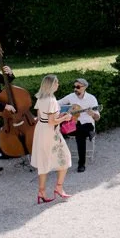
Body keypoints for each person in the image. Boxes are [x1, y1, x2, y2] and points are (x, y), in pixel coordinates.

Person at [32, 74, 73, 204]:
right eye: (56, 83)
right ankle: (59, 188)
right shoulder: (51, 100)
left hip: (40, 131)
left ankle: (41, 192)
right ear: (51, 85)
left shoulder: (41, 98)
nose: (58, 84)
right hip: (50, 132)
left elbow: (40, 117)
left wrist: (57, 117)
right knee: (65, 158)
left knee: (43, 161)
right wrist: (65, 118)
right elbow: (51, 122)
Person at [57, 77, 100, 173]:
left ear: (84, 87)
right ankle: (89, 134)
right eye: (74, 86)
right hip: (73, 124)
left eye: (78, 87)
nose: (75, 89)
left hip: (87, 124)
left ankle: (81, 164)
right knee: (58, 132)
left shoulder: (91, 99)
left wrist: (93, 114)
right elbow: (58, 103)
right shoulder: (71, 96)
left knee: (80, 134)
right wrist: (63, 111)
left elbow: (97, 117)